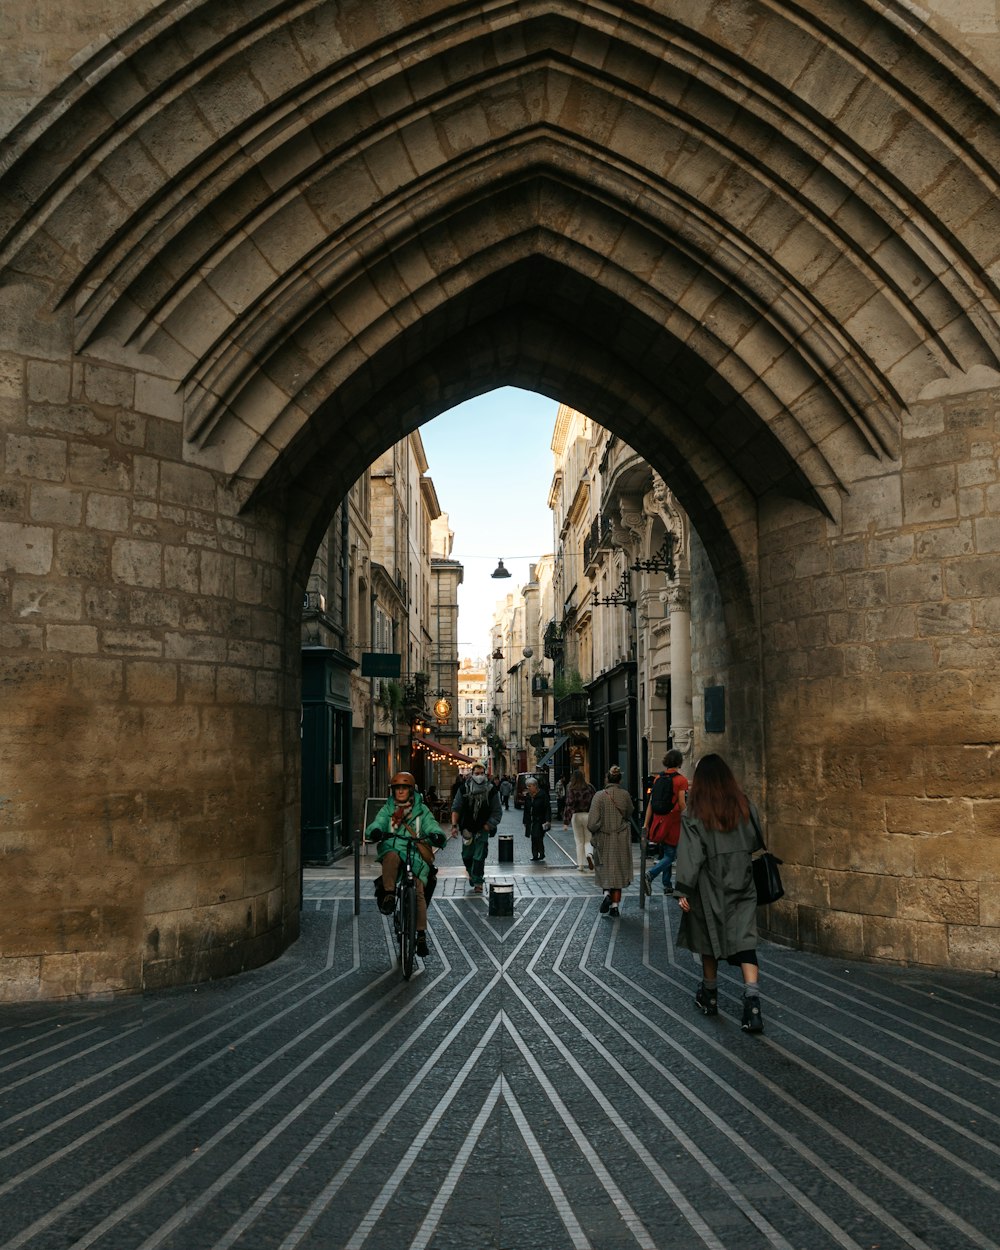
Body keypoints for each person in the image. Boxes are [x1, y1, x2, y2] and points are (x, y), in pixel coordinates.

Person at [674, 753, 764, 1033]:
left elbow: (691, 854)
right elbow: (756, 840)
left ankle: (710, 994)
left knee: (707, 936)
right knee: (744, 939)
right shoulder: (744, 804)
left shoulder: (694, 813)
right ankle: (753, 1003)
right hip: (742, 878)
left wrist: (682, 889)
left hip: (708, 881)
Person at [365, 771, 453, 957]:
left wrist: (437, 834)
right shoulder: (388, 809)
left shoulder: (422, 810)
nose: (400, 792)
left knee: (419, 889)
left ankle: (420, 934)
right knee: (390, 856)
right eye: (397, 788)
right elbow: (378, 822)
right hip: (394, 846)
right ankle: (389, 894)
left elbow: (431, 825)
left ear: (411, 790)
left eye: (404, 788)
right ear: (393, 791)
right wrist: (374, 831)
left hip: (414, 852)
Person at [586, 765, 634, 916]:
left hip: (603, 838)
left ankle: (606, 894)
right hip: (620, 838)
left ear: (607, 779)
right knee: (618, 872)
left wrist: (599, 826)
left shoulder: (599, 796)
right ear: (620, 779)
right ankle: (614, 907)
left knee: (604, 869)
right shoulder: (625, 795)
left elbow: (592, 823)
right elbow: (629, 813)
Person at [642, 750, 689, 895]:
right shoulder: (681, 780)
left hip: (660, 820)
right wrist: (689, 817)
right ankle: (650, 875)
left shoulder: (658, 778)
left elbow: (651, 803)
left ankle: (667, 884)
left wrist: (646, 823)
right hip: (674, 821)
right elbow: (681, 804)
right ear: (680, 762)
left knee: (667, 851)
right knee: (671, 855)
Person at [451, 761, 502, 892]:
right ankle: (472, 873)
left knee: (479, 856)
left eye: (481, 773)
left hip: (482, 828)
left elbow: (497, 811)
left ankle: (478, 880)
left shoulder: (491, 790)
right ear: (471, 774)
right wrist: (454, 826)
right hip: (467, 828)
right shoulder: (464, 788)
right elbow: (456, 807)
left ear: (485, 774)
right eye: (476, 773)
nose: (479, 776)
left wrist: (489, 824)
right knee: (467, 856)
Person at [563, 768, 596, 871]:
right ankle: (589, 855)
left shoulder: (571, 788)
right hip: (588, 815)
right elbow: (595, 801)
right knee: (588, 839)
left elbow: (569, 805)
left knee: (579, 841)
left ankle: (580, 865)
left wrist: (566, 822)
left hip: (576, 816)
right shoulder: (590, 787)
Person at [522, 776, 550, 861]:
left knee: (537, 836)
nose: (528, 788)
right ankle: (536, 855)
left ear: (535, 786)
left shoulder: (542, 795)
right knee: (533, 837)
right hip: (531, 820)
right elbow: (526, 809)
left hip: (540, 820)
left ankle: (540, 853)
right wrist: (525, 821)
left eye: (530, 786)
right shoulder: (528, 796)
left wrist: (548, 820)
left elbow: (547, 808)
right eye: (528, 786)